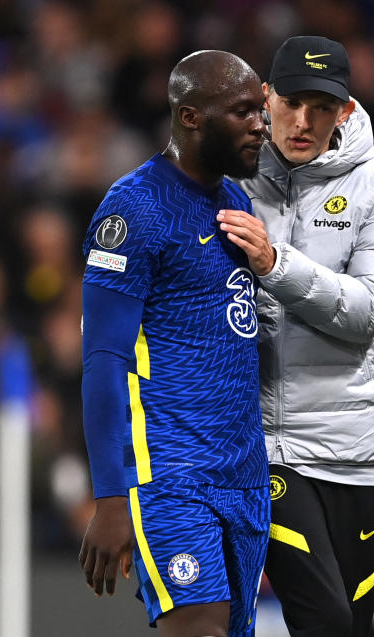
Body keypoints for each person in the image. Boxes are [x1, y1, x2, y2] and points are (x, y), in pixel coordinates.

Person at [216, 35, 374, 636]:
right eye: (290, 104)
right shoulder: (230, 184)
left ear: (346, 111)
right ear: (265, 99)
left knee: (352, 628)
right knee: (325, 623)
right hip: (267, 449)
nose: (302, 122)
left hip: (359, 455)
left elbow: (368, 310)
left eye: (321, 108)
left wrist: (274, 263)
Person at [78, 50, 270, 637]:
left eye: (260, 111)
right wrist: (113, 495)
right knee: (197, 626)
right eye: (242, 112)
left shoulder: (238, 204)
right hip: (170, 472)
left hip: (244, 476)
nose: (260, 124)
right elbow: (104, 359)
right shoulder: (133, 209)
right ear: (190, 116)